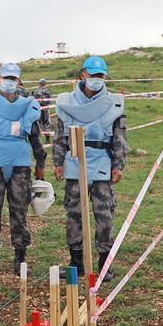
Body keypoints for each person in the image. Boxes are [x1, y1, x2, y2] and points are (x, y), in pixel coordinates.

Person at [53, 56, 129, 282]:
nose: (97, 79)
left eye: (101, 76)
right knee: (74, 215)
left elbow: (120, 137)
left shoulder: (114, 104)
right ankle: (76, 263)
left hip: (103, 164)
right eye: (93, 74)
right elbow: (60, 137)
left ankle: (105, 262)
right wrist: (58, 162)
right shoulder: (67, 102)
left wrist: (118, 165)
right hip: (75, 163)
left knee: (104, 215)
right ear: (83, 75)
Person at [0, 64, 46, 277]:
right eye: (6, 78)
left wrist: (41, 163)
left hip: (20, 165)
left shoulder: (28, 106)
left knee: (19, 212)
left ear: (19, 81)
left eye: (13, 78)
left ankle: (20, 256)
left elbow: (35, 137)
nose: (9, 82)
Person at [32, 78, 53, 142]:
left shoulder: (36, 91)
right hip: (45, 109)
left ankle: (38, 140)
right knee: (46, 123)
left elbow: (34, 100)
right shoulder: (48, 91)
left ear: (39, 83)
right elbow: (49, 100)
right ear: (45, 83)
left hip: (37, 109)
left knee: (37, 124)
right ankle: (47, 140)